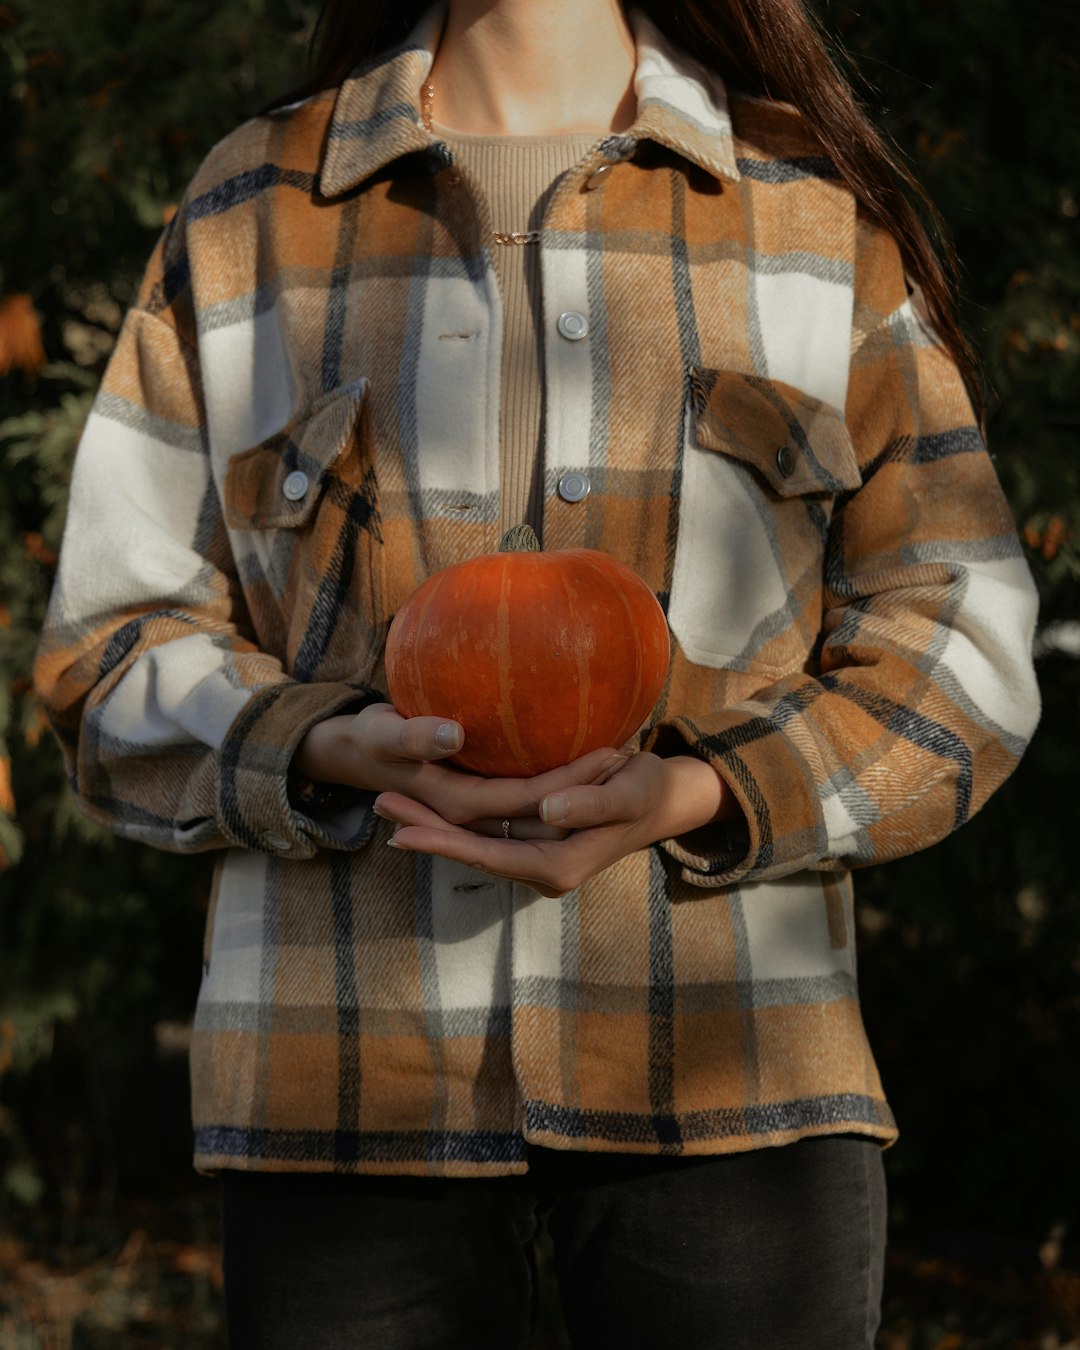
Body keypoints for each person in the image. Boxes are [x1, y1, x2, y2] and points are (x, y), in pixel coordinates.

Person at [34, 0, 1041, 1344]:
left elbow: (962, 631)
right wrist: (321, 744)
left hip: (735, 1092)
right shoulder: (252, 209)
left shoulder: (803, 216)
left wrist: (707, 794)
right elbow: (109, 644)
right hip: (343, 1110)